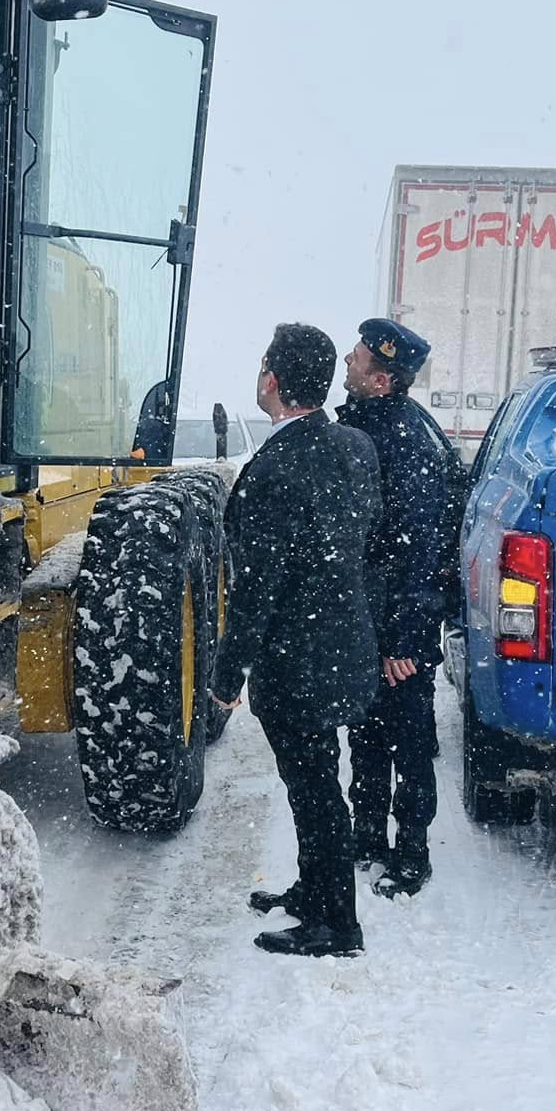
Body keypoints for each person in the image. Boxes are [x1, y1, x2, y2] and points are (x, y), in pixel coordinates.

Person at [209, 323, 382, 958]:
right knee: (318, 784)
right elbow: (363, 542)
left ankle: (336, 925)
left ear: (273, 382)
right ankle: (315, 892)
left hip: (299, 662)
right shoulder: (355, 446)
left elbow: (254, 590)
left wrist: (228, 678)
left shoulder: (272, 470)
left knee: (314, 794)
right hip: (345, 646)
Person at [338, 317, 460, 898]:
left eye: (357, 358)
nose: (346, 362)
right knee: (366, 733)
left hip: (397, 623)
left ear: (381, 380)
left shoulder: (404, 440)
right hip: (374, 618)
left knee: (409, 741)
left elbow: (420, 547)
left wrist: (405, 640)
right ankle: (367, 834)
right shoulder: (375, 423)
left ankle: (412, 852)